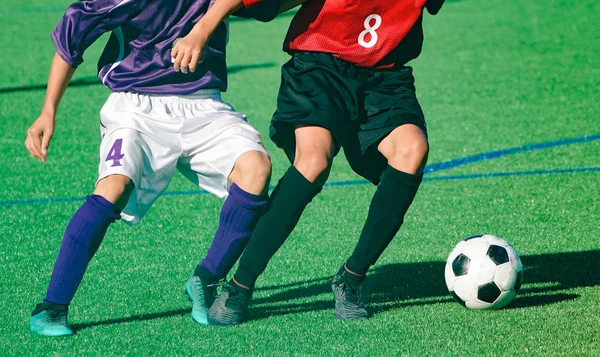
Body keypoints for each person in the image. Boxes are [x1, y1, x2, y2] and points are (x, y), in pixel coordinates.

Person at [177, 0, 445, 325]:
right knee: (314, 160)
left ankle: (351, 278)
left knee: (412, 150)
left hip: (385, 77)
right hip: (319, 67)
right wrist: (202, 29)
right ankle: (240, 285)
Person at [25, 0, 272, 336]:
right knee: (113, 186)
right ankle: (51, 307)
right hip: (136, 105)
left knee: (256, 168)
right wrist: (47, 111)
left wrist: (203, 28)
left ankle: (207, 277)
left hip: (205, 103)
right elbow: (72, 38)